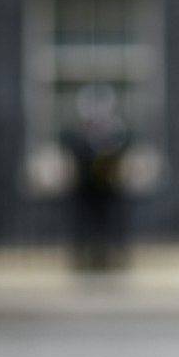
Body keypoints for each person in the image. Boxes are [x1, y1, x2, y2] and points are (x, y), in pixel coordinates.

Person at [60, 83, 129, 271]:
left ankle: (112, 259)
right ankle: (84, 260)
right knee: (84, 226)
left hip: (109, 190)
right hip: (85, 189)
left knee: (111, 225)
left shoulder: (116, 132)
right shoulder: (78, 133)